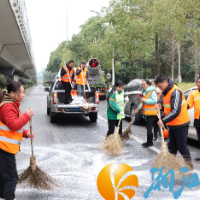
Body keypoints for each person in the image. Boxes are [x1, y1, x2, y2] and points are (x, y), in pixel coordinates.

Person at [0, 79, 35, 200]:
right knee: (11, 178)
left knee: (4, 178)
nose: (23, 94)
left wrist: (26, 133)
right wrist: (27, 115)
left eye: (23, 91)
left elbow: (13, 127)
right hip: (4, 149)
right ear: (12, 93)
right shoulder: (8, 106)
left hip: (4, 148)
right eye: (20, 92)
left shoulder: (12, 105)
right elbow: (13, 125)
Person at [155, 74, 193, 169]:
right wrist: (160, 105)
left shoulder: (175, 92)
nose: (160, 89)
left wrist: (163, 120)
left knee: (181, 145)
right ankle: (172, 164)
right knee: (172, 146)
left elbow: (175, 110)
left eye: (160, 86)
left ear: (166, 82)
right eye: (158, 87)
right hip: (172, 123)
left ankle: (189, 165)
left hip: (181, 123)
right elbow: (165, 103)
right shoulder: (165, 91)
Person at [135, 80, 157, 148]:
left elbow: (155, 100)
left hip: (151, 112)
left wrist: (145, 100)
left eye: (144, 84)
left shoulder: (152, 91)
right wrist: (138, 108)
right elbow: (142, 101)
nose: (143, 86)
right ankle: (148, 141)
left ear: (148, 84)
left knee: (149, 127)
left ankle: (150, 142)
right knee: (148, 127)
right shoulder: (145, 92)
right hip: (146, 112)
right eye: (142, 84)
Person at [187, 77, 200, 161]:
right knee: (199, 139)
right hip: (198, 119)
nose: (199, 83)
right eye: (198, 82)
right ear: (196, 83)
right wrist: (184, 105)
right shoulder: (194, 93)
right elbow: (189, 105)